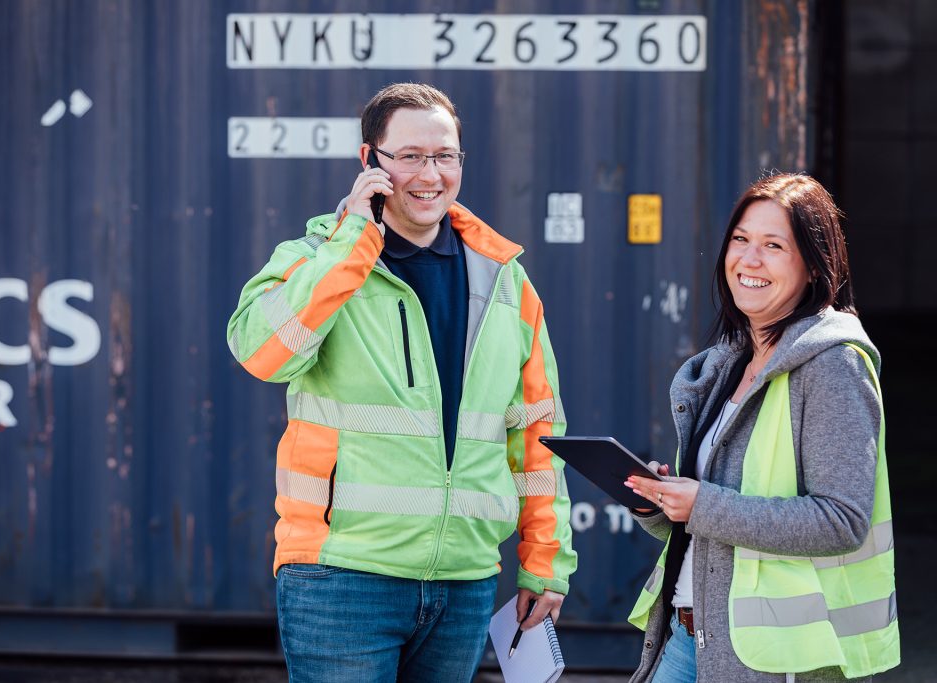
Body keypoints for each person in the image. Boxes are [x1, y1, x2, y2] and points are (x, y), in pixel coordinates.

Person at [226, 83, 576, 682]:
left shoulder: (506, 283)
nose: (430, 174)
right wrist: (351, 244)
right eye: (409, 156)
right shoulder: (312, 257)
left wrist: (544, 558)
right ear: (370, 163)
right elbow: (261, 352)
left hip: (463, 581)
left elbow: (536, 433)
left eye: (445, 156)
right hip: (342, 577)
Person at [624, 173, 899, 682]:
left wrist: (701, 504)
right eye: (741, 240)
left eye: (773, 246)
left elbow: (842, 520)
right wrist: (662, 504)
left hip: (771, 660)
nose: (749, 260)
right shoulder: (731, 363)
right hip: (687, 636)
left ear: (814, 267)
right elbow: (721, 508)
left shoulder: (833, 366)